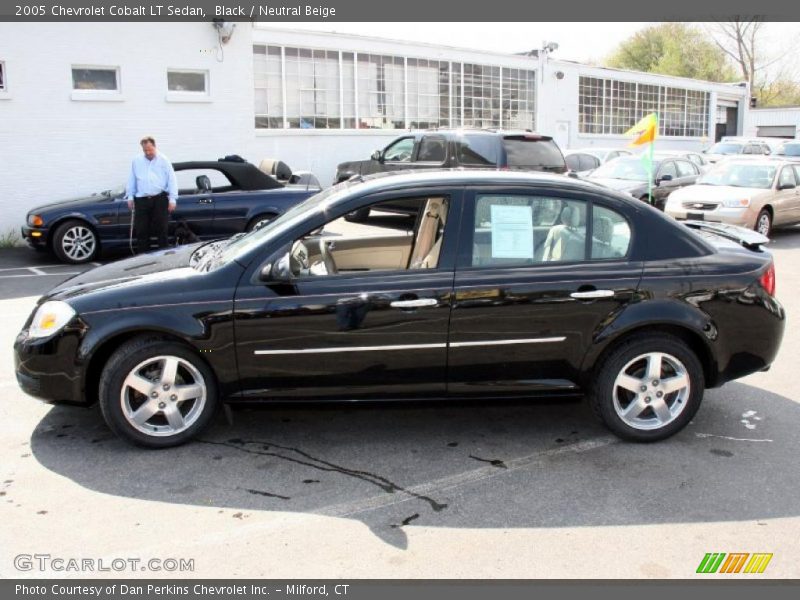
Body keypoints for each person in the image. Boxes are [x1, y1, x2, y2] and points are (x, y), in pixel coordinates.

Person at [125, 136, 178, 254]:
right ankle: (143, 256)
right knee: (141, 230)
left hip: (159, 199)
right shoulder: (136, 161)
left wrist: (173, 198)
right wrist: (130, 196)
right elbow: (132, 179)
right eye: (145, 150)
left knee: (161, 230)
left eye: (150, 150)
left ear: (155, 146)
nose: (148, 153)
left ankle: (162, 255)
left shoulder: (164, 160)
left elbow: (172, 179)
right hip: (141, 200)